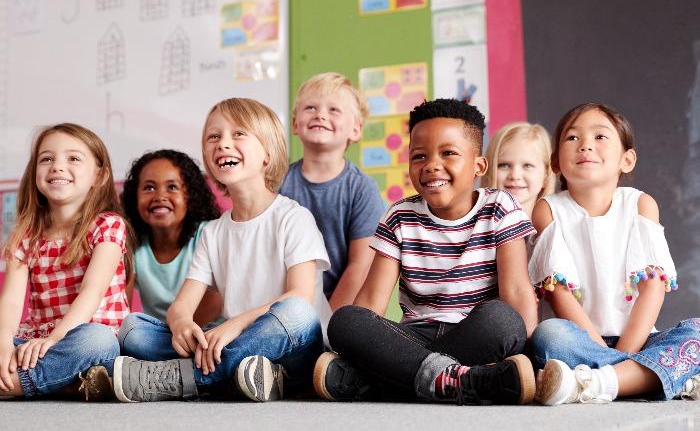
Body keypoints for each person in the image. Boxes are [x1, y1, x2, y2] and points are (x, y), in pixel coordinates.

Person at [313, 99, 538, 405]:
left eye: (448, 153)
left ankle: (378, 383)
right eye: (419, 155)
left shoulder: (500, 208)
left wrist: (531, 358)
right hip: (413, 337)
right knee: (346, 321)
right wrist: (355, 337)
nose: (432, 164)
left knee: (503, 320)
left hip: (475, 335)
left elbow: (516, 290)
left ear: (478, 166)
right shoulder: (399, 216)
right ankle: (466, 381)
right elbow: (370, 304)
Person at [114, 97, 330, 403]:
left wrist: (234, 325)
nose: (223, 143)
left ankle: (185, 379)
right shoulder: (213, 232)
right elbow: (181, 307)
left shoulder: (294, 218)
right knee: (133, 329)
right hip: (234, 344)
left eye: (238, 134)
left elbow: (300, 298)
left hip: (292, 348)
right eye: (213, 137)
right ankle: (238, 377)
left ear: (268, 153)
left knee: (296, 313)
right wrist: (182, 325)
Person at [529, 102, 700, 405]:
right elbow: (558, 294)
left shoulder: (641, 204)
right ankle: (652, 379)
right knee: (548, 336)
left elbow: (653, 288)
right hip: (578, 343)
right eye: (572, 138)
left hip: (640, 341)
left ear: (627, 159)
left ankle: (599, 381)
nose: (585, 146)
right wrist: (617, 359)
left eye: (600, 137)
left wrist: (628, 352)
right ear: (556, 163)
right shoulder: (548, 210)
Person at [0, 123, 132, 401]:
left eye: (73, 158)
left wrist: (55, 339)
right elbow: (11, 302)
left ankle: (17, 384)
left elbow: (92, 292)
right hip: (36, 343)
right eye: (46, 159)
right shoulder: (25, 236)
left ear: (100, 175)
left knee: (97, 341)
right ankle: (69, 384)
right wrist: (2, 343)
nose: (57, 166)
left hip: (83, 340)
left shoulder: (107, 226)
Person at [279, 72, 385, 311]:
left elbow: (359, 266)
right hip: (284, 305)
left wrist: (325, 326)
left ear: (355, 131)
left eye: (334, 110)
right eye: (310, 108)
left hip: (336, 309)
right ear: (295, 124)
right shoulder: (277, 182)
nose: (321, 115)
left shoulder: (361, 188)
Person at [120, 149, 222, 325]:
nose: (160, 196)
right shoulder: (131, 244)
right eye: (149, 188)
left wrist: (182, 336)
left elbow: (212, 309)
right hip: (159, 336)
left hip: (207, 330)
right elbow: (122, 307)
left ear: (190, 196)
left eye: (172, 187)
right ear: (135, 198)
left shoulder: (209, 233)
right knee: (132, 331)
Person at [482, 121, 555, 218]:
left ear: (546, 175)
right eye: (504, 165)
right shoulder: (474, 229)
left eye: (527, 166)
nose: (515, 176)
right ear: (489, 170)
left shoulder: (559, 229)